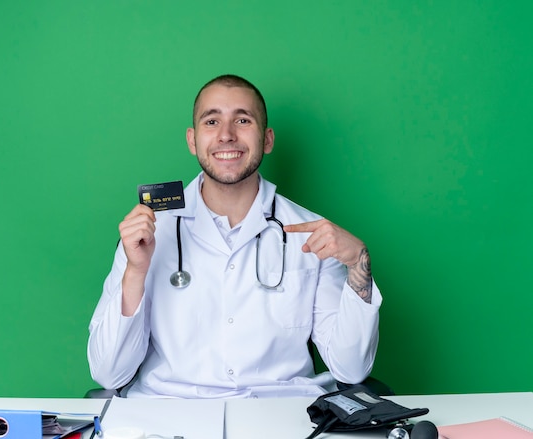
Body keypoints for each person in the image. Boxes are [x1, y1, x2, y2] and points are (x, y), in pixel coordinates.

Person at [87, 74, 382, 398]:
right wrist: (136, 271)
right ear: (192, 139)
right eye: (212, 121)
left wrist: (359, 263)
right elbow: (109, 374)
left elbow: (351, 369)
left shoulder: (311, 232)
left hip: (284, 419)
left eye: (242, 120)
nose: (226, 135)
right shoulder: (146, 234)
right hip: (169, 416)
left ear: (267, 139)